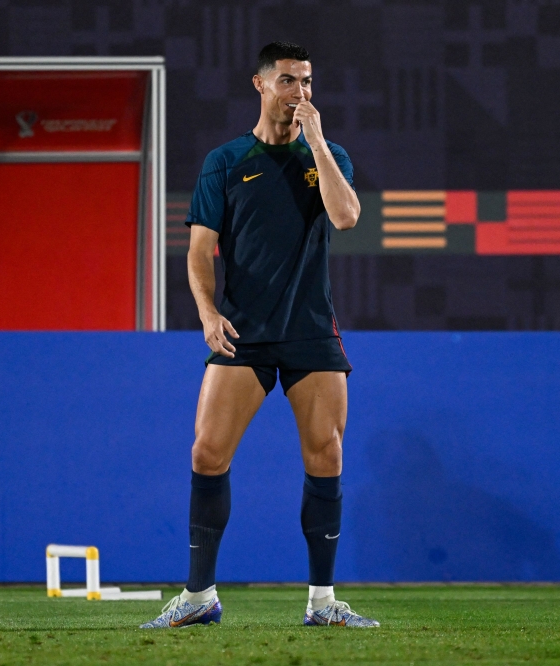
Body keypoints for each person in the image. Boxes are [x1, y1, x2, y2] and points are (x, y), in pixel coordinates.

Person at [141, 41, 378, 629]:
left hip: (309, 333)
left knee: (326, 456)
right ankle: (199, 597)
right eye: (289, 81)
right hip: (243, 332)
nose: (301, 91)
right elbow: (199, 250)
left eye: (308, 81)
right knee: (206, 452)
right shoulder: (225, 162)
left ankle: (322, 602)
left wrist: (317, 143)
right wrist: (205, 312)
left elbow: (346, 217)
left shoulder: (329, 155)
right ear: (260, 84)